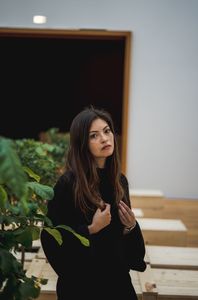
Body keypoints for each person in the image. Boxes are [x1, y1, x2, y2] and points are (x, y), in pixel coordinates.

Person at [40, 106, 146, 300]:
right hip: (80, 287)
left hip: (118, 284)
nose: (105, 138)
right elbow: (51, 238)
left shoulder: (119, 181)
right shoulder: (68, 184)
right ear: (82, 143)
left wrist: (131, 227)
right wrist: (91, 228)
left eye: (107, 131)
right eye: (94, 136)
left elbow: (132, 254)